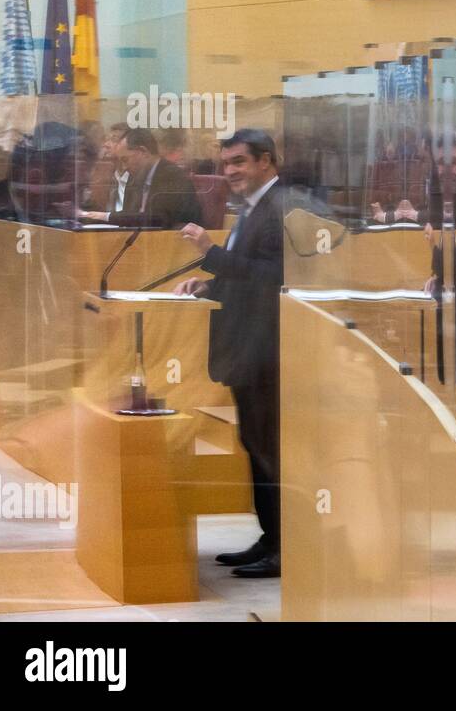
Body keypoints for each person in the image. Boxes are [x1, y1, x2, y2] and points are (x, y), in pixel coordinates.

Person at [173, 129, 285, 578]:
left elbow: (274, 276)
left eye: (239, 161)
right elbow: (245, 277)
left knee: (271, 451)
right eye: (225, 164)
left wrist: (210, 253)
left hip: (267, 350)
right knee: (255, 446)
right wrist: (209, 285)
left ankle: (284, 546)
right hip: (246, 349)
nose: (230, 172)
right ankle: (270, 538)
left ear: (266, 161)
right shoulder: (253, 207)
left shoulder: (280, 208)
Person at [77, 127, 201, 228]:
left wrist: (106, 216)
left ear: (143, 152)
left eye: (125, 160)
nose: (124, 167)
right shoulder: (135, 177)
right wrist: (90, 216)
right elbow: (130, 215)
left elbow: (157, 219)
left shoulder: (172, 176)